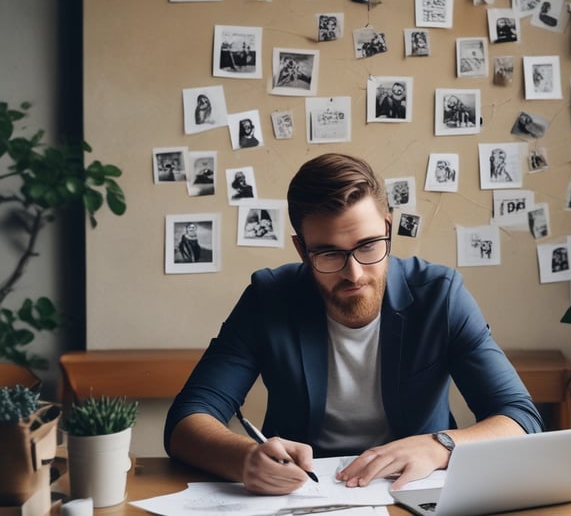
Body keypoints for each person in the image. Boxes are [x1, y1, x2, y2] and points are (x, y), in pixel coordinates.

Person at [165, 153, 542, 496]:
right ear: (302, 250)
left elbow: (519, 417)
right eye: (330, 253)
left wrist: (440, 445)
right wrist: (244, 458)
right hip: (303, 497)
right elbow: (188, 418)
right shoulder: (270, 298)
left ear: (388, 228)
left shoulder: (440, 296)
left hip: (412, 491)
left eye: (368, 245)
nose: (354, 273)